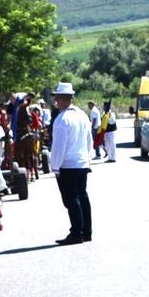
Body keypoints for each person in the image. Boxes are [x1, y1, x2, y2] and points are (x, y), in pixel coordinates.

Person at [49, 81, 92, 244]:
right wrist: (88, 158)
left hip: (68, 165)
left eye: (57, 98)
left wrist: (55, 166)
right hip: (82, 162)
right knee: (83, 197)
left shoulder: (62, 119)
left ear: (61, 99)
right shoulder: (82, 115)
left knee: (71, 199)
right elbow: (89, 140)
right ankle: (86, 231)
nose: (55, 102)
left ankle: (76, 232)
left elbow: (58, 146)